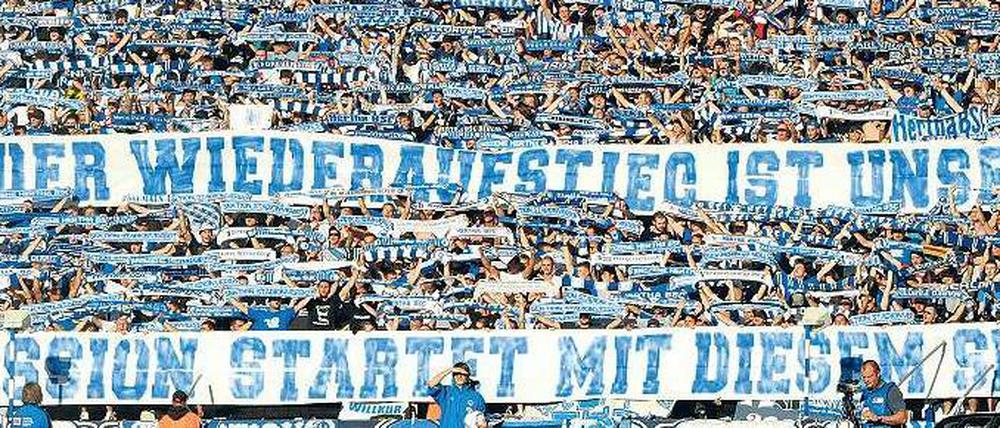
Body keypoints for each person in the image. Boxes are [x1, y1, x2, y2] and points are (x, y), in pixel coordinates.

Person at [427, 362, 486, 428]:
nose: (459, 376)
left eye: (462, 374)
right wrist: (450, 370)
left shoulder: (476, 397)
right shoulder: (446, 391)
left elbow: (482, 422)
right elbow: (431, 384)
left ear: (467, 376)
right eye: (456, 374)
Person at [860, 360, 908, 427]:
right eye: (864, 377)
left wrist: (878, 418)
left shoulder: (890, 390)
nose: (866, 380)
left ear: (878, 374)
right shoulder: (865, 392)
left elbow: (902, 418)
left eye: (870, 376)